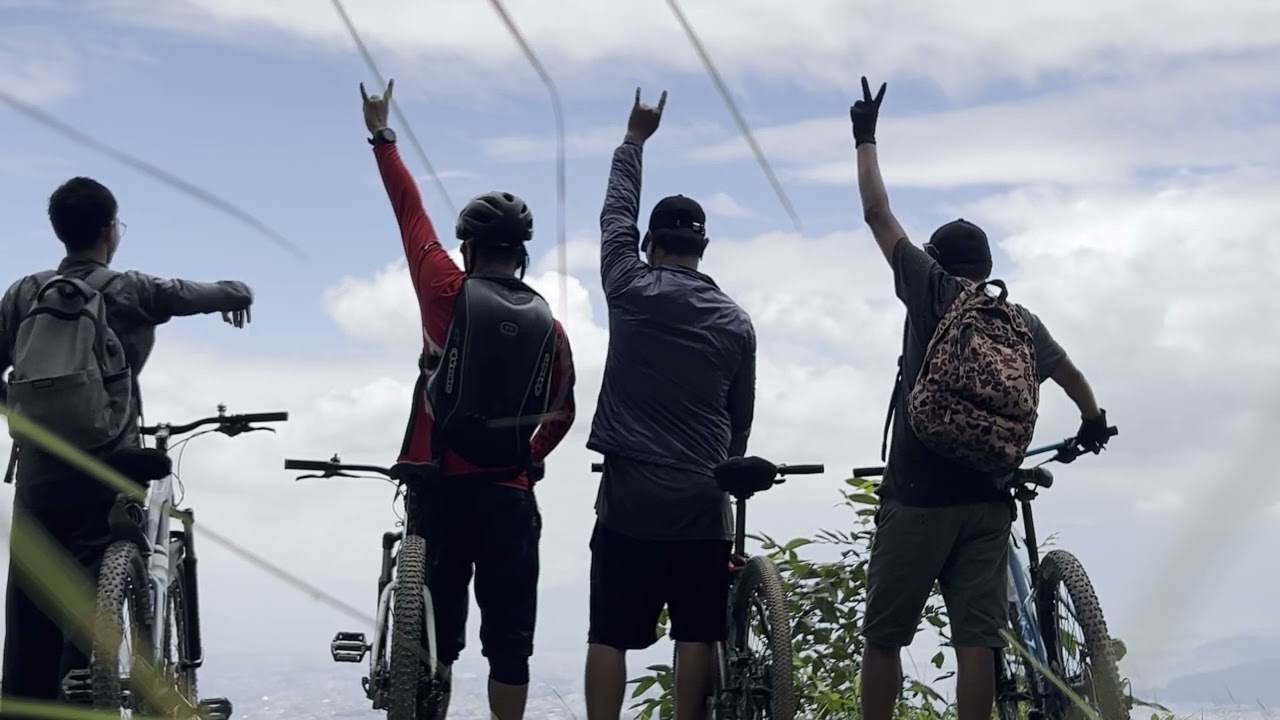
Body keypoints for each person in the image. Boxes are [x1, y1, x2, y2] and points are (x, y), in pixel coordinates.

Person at [849, 77, 1113, 720]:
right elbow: (1068, 372)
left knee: (883, 639)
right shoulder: (1014, 317)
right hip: (986, 501)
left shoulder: (929, 290)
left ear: (937, 260)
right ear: (989, 266)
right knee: (978, 643)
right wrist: (1092, 420)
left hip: (917, 497)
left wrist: (865, 135)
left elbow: (878, 215)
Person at [360, 79, 577, 720]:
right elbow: (562, 409)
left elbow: (410, 212)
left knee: (435, 643)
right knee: (510, 646)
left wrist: (383, 135)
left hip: (440, 485)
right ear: (522, 253)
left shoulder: (442, 289)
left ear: (471, 247)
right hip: (510, 495)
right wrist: (530, 457)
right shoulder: (549, 326)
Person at [0, 176, 254, 709]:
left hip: (40, 471)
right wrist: (239, 295)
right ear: (108, 230)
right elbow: (202, 293)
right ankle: (90, 697)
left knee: (31, 602)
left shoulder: (25, 293)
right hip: (110, 466)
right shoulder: (131, 290)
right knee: (93, 603)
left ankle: (24, 699)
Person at [584, 88, 757, 720]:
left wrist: (634, 141)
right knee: (697, 632)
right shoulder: (736, 322)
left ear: (653, 243)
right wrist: (726, 464)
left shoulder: (629, 287)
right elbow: (740, 418)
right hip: (700, 499)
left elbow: (613, 219)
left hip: (630, 495)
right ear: (702, 249)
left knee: (609, 633)